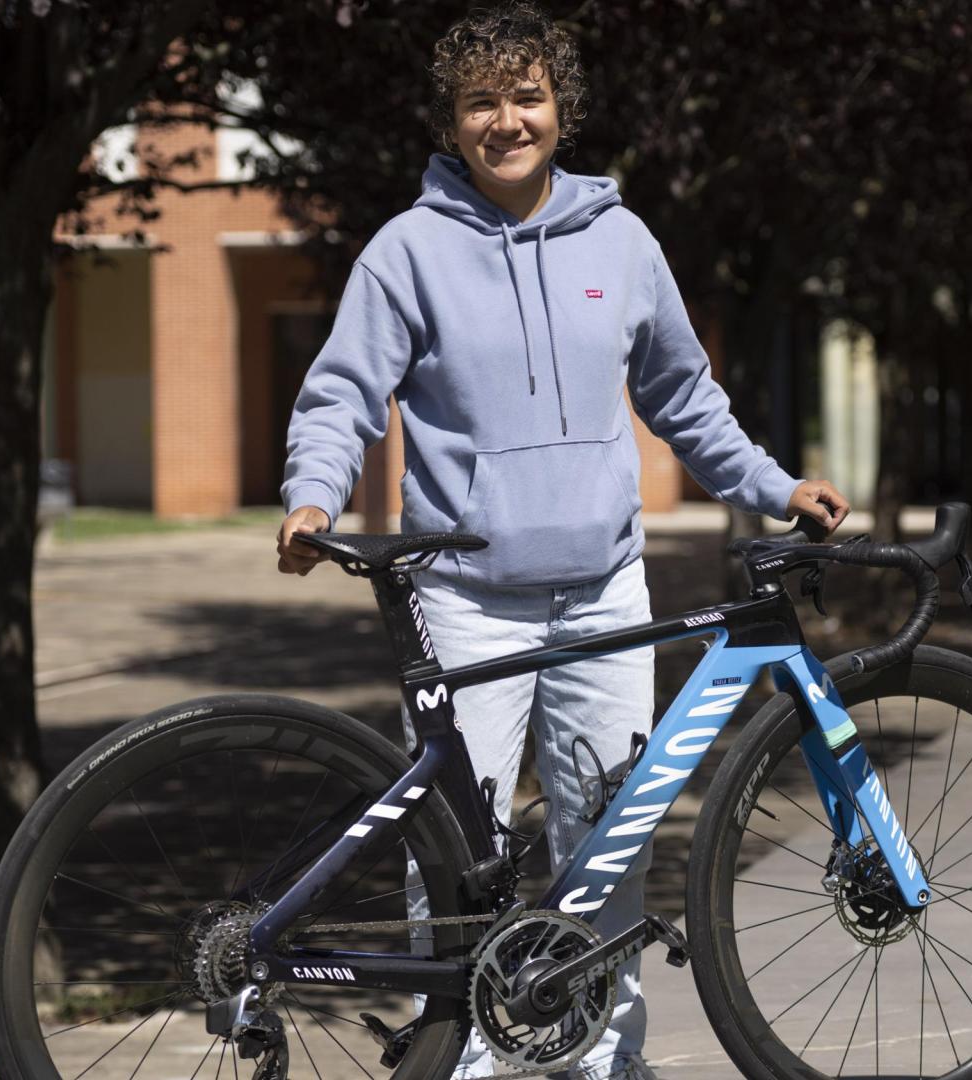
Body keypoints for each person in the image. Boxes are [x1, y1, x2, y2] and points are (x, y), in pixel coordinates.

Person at [274, 5, 848, 1076]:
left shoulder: (623, 243)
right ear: (453, 119)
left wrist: (773, 487)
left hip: (602, 595)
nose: (506, 120)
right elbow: (343, 391)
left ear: (562, 109)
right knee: (455, 870)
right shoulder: (409, 250)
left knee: (608, 848)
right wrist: (314, 497)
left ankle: (604, 1062)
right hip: (465, 599)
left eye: (526, 96)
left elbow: (685, 397)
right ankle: (465, 1066)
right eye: (481, 101)